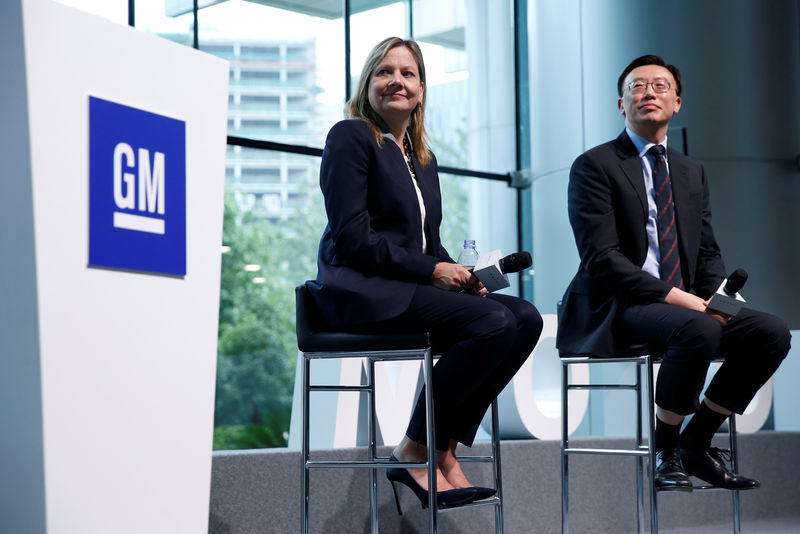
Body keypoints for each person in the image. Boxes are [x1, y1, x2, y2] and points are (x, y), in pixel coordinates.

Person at [307, 37, 543, 510]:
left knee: (525, 318)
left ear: (421, 89)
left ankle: (441, 447)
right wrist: (432, 268)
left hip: (405, 286)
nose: (397, 80)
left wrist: (460, 271)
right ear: (368, 84)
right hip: (360, 291)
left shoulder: (421, 159)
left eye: (408, 73)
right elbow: (354, 239)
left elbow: (426, 243)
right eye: (385, 71)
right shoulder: (350, 137)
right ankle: (416, 449)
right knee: (491, 323)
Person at [557, 55, 790, 492]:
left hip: (686, 309)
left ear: (677, 102)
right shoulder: (595, 165)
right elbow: (601, 259)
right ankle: (666, 449)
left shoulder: (689, 171)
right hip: (618, 305)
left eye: (660, 86)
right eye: (637, 86)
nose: (649, 92)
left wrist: (720, 300)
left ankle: (696, 441)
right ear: (620, 104)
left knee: (771, 332)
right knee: (697, 328)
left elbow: (705, 252)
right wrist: (679, 298)